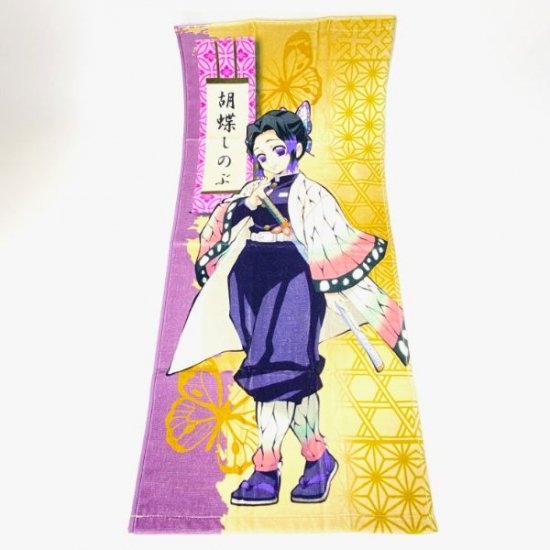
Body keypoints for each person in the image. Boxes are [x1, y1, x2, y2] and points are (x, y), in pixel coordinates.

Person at [167, 101, 409, 505]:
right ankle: (317, 458)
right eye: (260, 155)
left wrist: (301, 236)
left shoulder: (312, 193)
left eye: (276, 150)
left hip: (294, 280)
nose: (268, 161)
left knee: (275, 372)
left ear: (295, 146)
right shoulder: (252, 190)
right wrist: (243, 206)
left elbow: (334, 237)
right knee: (290, 376)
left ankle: (266, 468)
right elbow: (221, 224)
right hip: (249, 279)